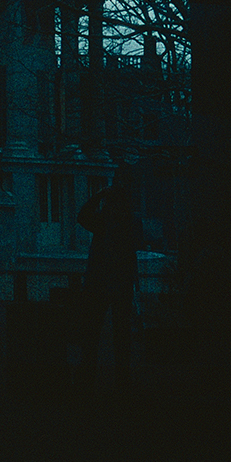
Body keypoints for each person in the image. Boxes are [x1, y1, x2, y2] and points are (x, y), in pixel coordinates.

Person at [75, 169, 142, 402]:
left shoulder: (103, 221)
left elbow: (82, 216)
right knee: (121, 335)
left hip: (99, 282)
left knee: (92, 334)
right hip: (119, 283)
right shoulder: (130, 221)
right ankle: (122, 383)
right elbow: (133, 251)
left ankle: (87, 383)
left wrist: (99, 196)